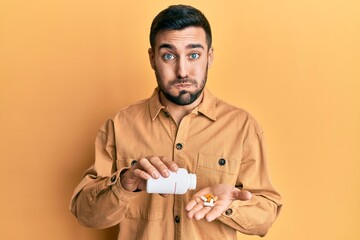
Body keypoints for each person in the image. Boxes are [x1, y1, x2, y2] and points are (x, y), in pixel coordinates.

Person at [70, 4, 282, 240]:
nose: (182, 71)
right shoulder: (119, 125)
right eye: (169, 55)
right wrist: (124, 183)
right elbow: (85, 214)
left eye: (193, 55)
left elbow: (266, 216)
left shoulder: (242, 126)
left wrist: (229, 206)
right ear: (152, 58)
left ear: (209, 57)